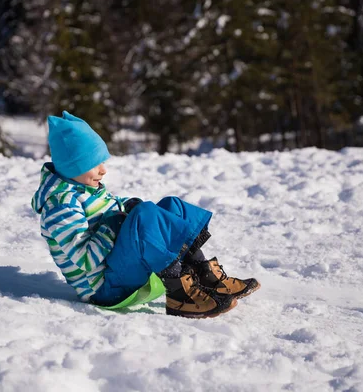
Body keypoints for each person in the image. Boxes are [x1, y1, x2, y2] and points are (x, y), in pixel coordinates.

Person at [31, 111, 260, 318]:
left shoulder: (85, 186)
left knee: (171, 206)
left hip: (118, 270)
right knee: (144, 215)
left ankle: (202, 273)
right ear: (73, 167)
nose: (103, 169)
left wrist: (126, 207)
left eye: (102, 161)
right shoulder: (60, 206)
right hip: (104, 288)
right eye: (94, 163)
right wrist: (114, 225)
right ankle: (179, 291)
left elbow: (110, 207)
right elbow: (85, 261)